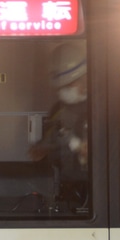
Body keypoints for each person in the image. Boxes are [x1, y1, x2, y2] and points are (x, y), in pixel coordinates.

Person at [30, 40, 90, 207]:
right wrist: (41, 149)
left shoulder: (102, 108)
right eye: (60, 87)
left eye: (70, 85)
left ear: (85, 78)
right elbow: (49, 142)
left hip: (99, 188)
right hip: (66, 187)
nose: (64, 91)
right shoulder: (59, 110)